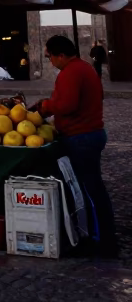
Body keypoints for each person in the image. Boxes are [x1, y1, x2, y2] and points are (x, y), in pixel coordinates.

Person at [34, 35, 117, 258]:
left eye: (49, 56)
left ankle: (101, 240)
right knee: (93, 187)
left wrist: (46, 107)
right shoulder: (85, 68)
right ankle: (102, 235)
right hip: (92, 133)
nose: (50, 61)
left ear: (60, 55)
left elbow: (68, 104)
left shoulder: (70, 72)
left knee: (89, 190)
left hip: (82, 136)